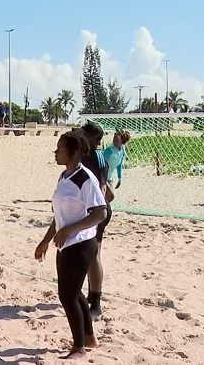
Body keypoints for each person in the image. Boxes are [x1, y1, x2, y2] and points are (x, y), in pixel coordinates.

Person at [34, 130, 108, 360]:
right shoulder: (64, 177)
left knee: (67, 296)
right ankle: (89, 338)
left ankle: (78, 347)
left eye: (60, 149)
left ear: (74, 152)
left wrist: (70, 229)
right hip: (65, 245)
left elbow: (100, 212)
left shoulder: (85, 178)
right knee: (74, 295)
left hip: (82, 244)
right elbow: (58, 216)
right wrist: (45, 240)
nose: (56, 152)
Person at [79, 122, 111, 321]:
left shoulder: (97, 156)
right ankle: (91, 295)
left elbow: (102, 187)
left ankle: (96, 303)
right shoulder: (83, 154)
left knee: (94, 255)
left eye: (84, 134)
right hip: (89, 210)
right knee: (89, 255)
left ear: (93, 138)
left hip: (97, 211)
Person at [102, 131, 127, 203]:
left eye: (117, 139)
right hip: (102, 178)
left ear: (122, 141)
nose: (114, 140)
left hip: (110, 178)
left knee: (108, 198)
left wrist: (120, 178)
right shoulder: (109, 150)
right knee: (110, 196)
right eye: (114, 138)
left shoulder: (122, 151)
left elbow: (119, 165)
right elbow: (100, 163)